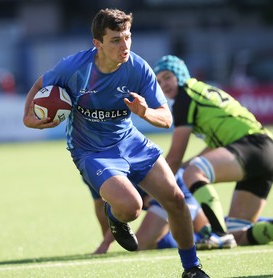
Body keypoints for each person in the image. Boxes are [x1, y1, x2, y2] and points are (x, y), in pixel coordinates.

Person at [23, 9, 209, 277]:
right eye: (115, 40)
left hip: (131, 142)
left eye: (127, 37)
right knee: (131, 208)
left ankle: (192, 269)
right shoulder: (75, 67)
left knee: (176, 199)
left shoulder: (138, 68)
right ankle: (116, 215)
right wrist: (29, 117)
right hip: (91, 152)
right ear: (97, 44)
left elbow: (166, 118)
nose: (124, 46)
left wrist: (145, 112)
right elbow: (41, 83)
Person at [153, 55, 273, 246]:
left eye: (167, 77)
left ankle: (217, 234)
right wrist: (185, 165)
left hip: (252, 146)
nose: (164, 84)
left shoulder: (185, 96)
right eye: (159, 81)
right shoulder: (198, 91)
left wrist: (154, 186)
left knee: (194, 171)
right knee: (238, 233)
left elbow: (175, 157)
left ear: (180, 75)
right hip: (266, 154)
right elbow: (216, 145)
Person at [91, 168, 237, 254]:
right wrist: (107, 240)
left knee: (142, 245)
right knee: (207, 229)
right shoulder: (91, 169)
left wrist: (105, 244)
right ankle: (213, 228)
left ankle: (207, 236)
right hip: (162, 198)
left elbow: (120, 211)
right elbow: (102, 207)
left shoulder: (116, 169)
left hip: (179, 193)